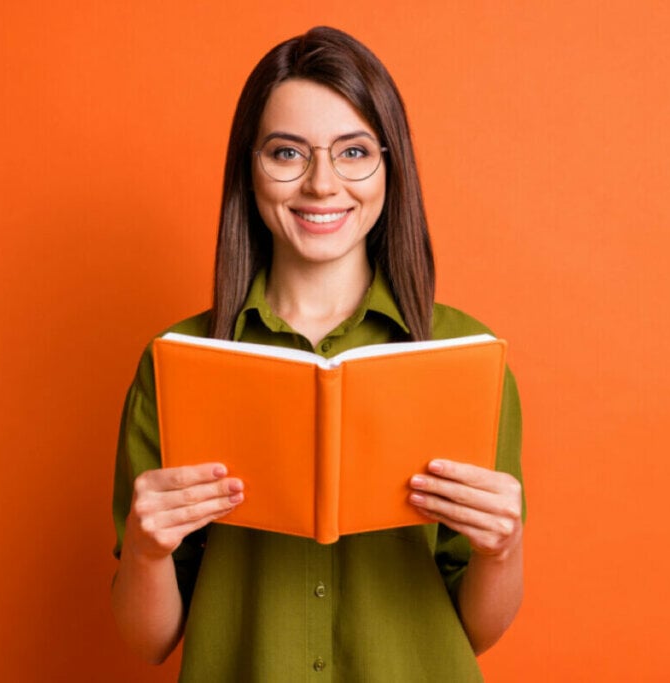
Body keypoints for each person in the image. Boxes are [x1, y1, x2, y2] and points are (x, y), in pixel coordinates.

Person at [111, 26, 524, 681]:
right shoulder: (176, 361)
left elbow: (474, 630)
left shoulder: (465, 358)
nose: (322, 183)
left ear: (392, 164)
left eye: (354, 151)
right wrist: (145, 547)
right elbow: (149, 640)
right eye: (287, 152)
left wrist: (502, 551)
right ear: (250, 167)